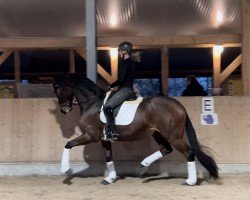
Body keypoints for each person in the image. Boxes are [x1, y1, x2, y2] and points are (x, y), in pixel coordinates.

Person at [103, 41, 141, 141]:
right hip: (127, 89)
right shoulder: (132, 63)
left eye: (119, 51)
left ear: (124, 51)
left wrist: (110, 85)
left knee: (107, 107)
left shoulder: (125, 63)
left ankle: (112, 132)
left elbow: (121, 80)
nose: (119, 53)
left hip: (126, 90)